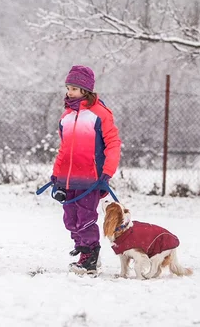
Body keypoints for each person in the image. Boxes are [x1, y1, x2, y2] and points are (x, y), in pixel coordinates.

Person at [51, 65, 122, 275]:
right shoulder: (66, 115)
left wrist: (107, 173)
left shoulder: (100, 114)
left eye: (74, 88)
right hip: (67, 178)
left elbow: (113, 144)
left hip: (91, 178)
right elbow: (63, 149)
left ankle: (90, 257)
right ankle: (82, 248)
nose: (69, 92)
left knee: (86, 218)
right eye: (68, 87)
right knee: (70, 219)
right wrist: (56, 174)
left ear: (85, 90)